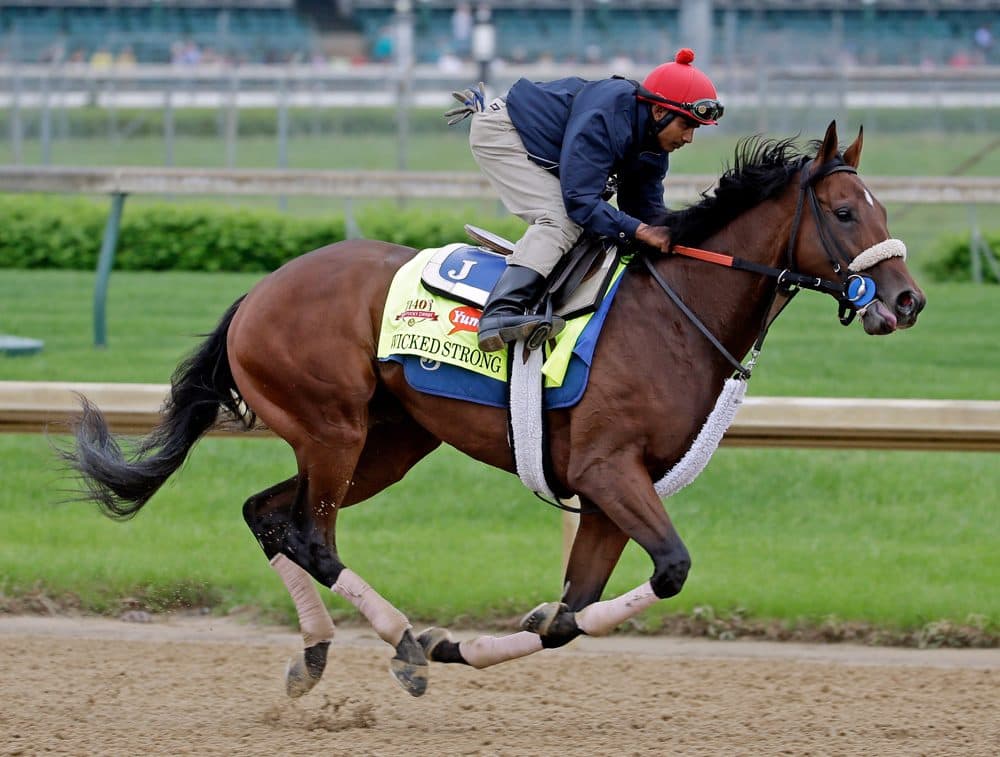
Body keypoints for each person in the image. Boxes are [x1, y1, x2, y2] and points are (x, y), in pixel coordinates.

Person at [447, 48, 724, 353]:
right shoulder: (607, 114)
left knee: (605, 229)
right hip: (504, 132)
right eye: (686, 125)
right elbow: (580, 201)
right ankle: (500, 313)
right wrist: (642, 231)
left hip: (545, 148)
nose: (689, 138)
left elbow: (644, 212)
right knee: (561, 220)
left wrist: (686, 234)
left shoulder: (654, 144)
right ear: (659, 112)